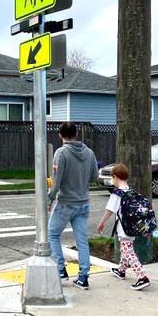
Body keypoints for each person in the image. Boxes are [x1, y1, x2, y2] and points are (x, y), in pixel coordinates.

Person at [47, 122, 98, 290]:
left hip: (65, 203)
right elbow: (94, 177)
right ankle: (83, 277)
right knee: (82, 241)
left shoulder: (60, 153)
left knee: (52, 234)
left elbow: (56, 180)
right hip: (83, 203)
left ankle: (61, 269)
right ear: (76, 134)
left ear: (60, 135)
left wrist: (50, 198)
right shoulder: (89, 153)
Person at [95, 163, 151, 290]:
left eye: (111, 178)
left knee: (128, 251)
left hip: (124, 228)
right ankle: (121, 270)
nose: (112, 181)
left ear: (115, 177)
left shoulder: (117, 193)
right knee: (125, 249)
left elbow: (109, 210)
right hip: (133, 226)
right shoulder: (131, 191)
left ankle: (142, 277)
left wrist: (102, 223)